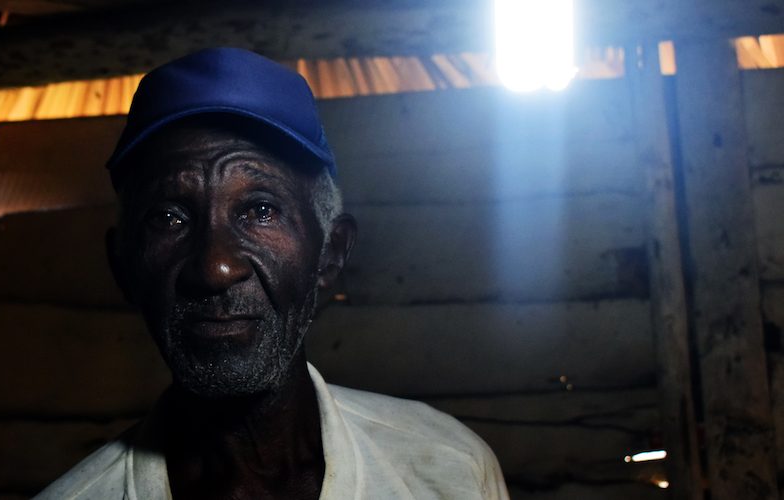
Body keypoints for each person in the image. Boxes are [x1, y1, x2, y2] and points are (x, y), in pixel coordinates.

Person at [35, 47, 508, 500]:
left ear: (331, 254)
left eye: (260, 210)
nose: (215, 268)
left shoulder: (450, 470)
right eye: (169, 218)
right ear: (123, 268)